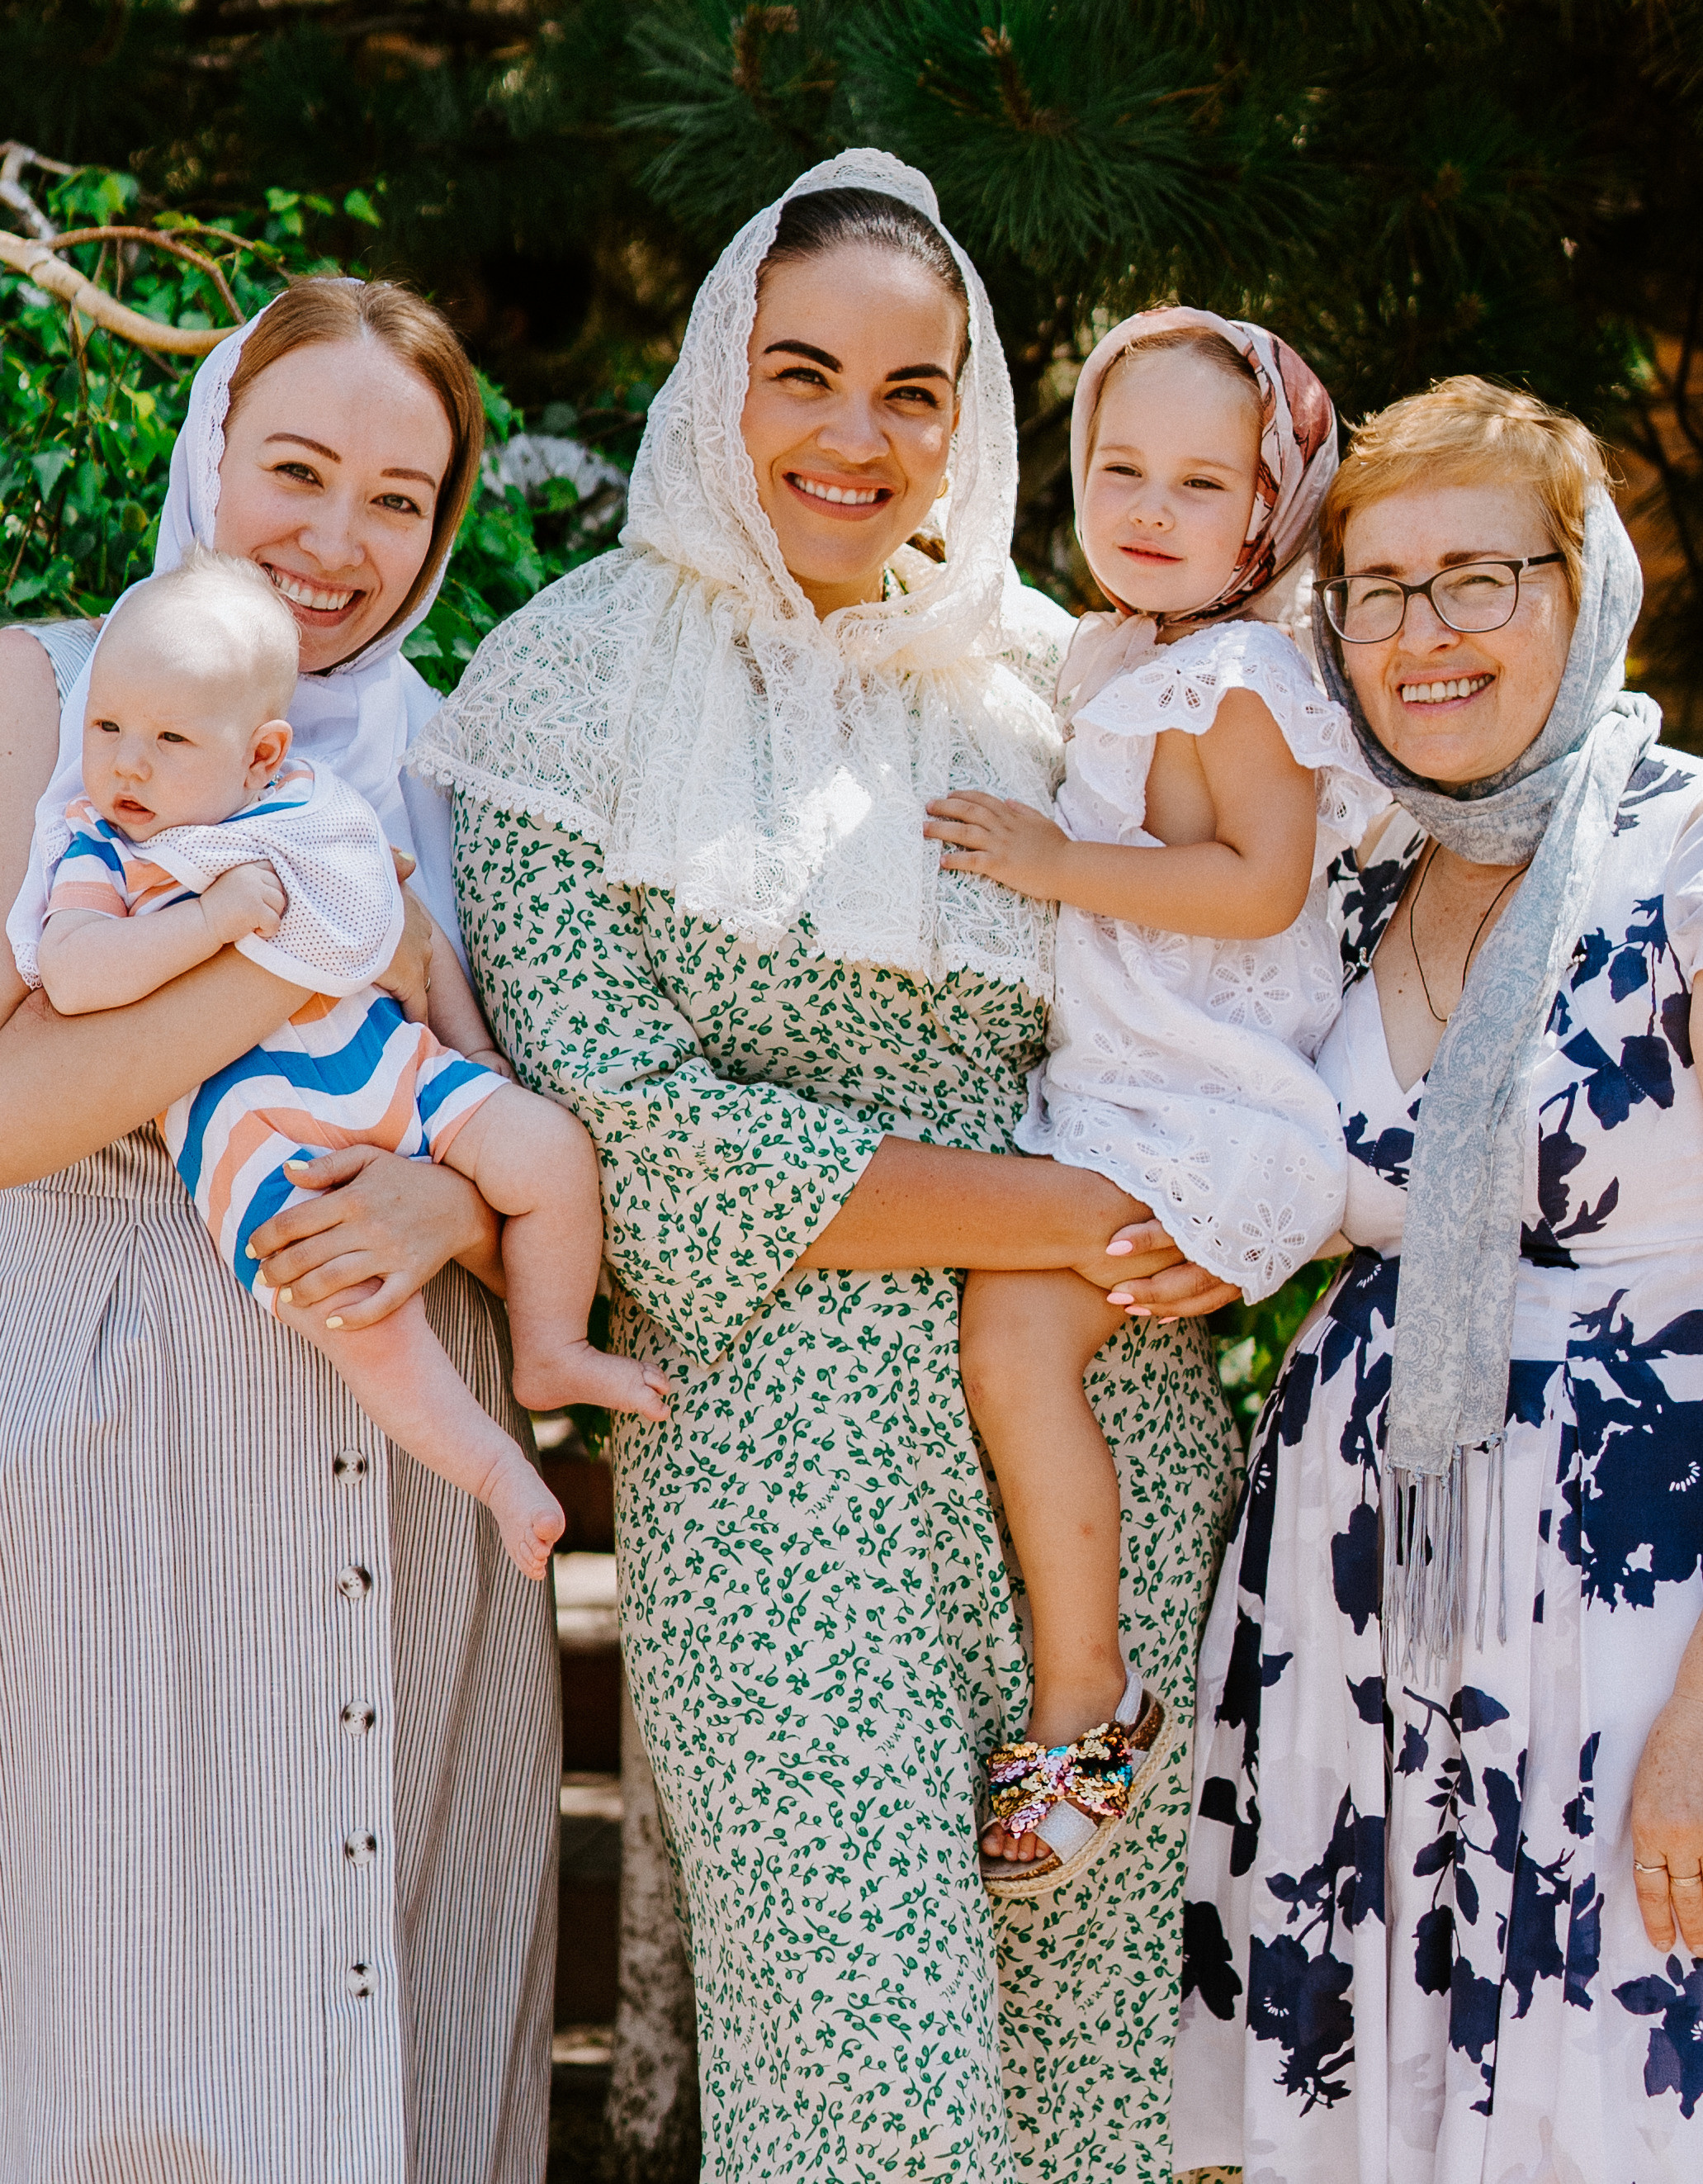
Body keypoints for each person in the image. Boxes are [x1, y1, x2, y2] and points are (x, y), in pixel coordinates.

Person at [414, 151, 1247, 2184]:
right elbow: (628, 1123)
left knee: (1099, 2108)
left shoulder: (1065, 682)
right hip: (781, 1464)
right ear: (719, 378)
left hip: (1106, 1446)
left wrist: (1242, 1214)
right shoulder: (565, 681)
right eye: (803, 376)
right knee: (873, 2097)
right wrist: (1057, 1214)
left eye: (911, 388)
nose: (854, 439)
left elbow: (1232, 1012)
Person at [0, 279, 560, 2178]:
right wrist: (298, 931)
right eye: (296, 471)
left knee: (400, 2012)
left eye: (397, 501)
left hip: (415, 1467)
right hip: (131, 1451)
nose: (337, 544)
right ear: (209, 453)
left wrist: (451, 1195)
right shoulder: (49, 693)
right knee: (139, 2022)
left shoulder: (456, 755)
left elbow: (538, 1129)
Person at [1172, 376, 1703, 2183]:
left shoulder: (1684, 861)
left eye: (1476, 576)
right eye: (1376, 589)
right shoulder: (1330, 879)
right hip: (1351, 1605)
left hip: (1626, 1618)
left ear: (1585, 584)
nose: (1423, 633)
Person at [928, 310, 1379, 1895]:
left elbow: (1256, 885)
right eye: (1119, 465)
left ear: (1269, 510)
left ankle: (1087, 1688)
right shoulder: (1118, 649)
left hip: (1210, 1099)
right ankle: (1084, 1673)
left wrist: (1051, 861)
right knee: (1015, 1341)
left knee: (1011, 1332)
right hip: (1126, 1087)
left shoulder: (1246, 672)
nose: (1147, 507)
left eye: (1201, 481)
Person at [12, 551, 665, 1579]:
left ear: (262, 753)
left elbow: (408, 935)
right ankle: (492, 1468)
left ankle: (549, 1346)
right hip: (251, 1125)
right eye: (106, 729)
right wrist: (217, 923)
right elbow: (79, 974)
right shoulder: (104, 848)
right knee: (353, 1310)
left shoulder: (311, 804)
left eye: (169, 738)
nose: (127, 764)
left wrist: (475, 1056)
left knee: (545, 1146)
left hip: (387, 1066)